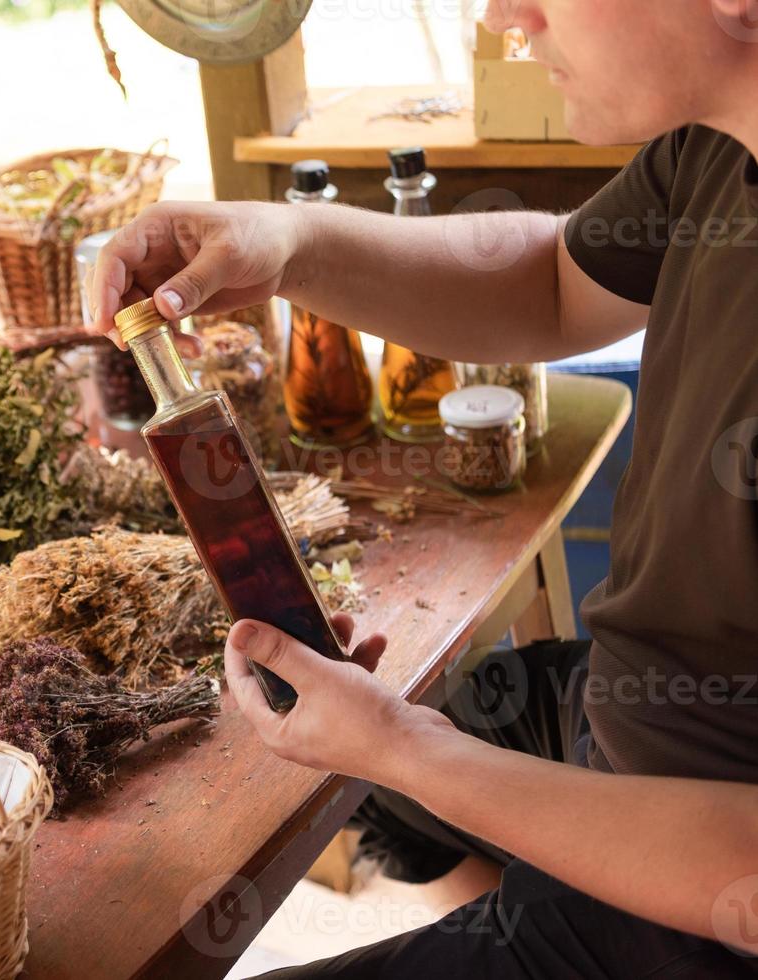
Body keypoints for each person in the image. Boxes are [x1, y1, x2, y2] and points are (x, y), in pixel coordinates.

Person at [90, 0, 758, 974]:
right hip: (635, 714)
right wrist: (288, 243)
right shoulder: (719, 139)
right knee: (395, 780)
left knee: (400, 753)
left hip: (705, 887)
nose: (502, 15)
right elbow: (549, 281)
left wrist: (410, 746)